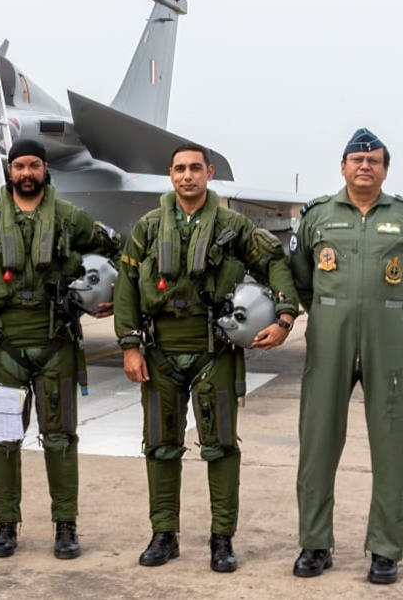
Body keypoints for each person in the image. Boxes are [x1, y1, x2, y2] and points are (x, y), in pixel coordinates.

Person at [113, 144, 299, 573]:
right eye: (179, 168)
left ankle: (222, 539)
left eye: (195, 168)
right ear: (170, 174)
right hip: (160, 353)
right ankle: (164, 535)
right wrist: (129, 344)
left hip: (215, 351)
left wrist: (285, 316)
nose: (187, 176)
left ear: (209, 173)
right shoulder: (149, 227)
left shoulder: (233, 226)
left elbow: (274, 263)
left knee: (220, 447)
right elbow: (126, 284)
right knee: (160, 446)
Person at [289, 129, 403, 584]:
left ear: (385, 169)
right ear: (342, 167)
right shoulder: (317, 216)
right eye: (357, 160)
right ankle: (315, 544)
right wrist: (330, 314)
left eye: (374, 160)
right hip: (329, 340)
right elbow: (301, 278)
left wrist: (391, 317)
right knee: (317, 444)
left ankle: (386, 550)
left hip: (389, 343)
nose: (365, 167)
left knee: (392, 448)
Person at [0, 138, 121, 560]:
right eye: (20, 167)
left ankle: (65, 526)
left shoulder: (70, 220)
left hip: (57, 344)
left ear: (45, 170)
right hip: (3, 346)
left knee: (61, 439)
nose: (27, 174)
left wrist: (111, 296)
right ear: (10, 172)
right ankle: (5, 525)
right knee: (2, 438)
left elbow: (120, 251)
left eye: (34, 166)